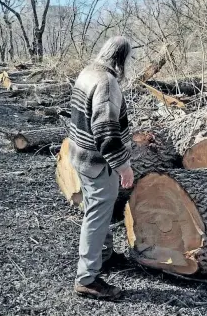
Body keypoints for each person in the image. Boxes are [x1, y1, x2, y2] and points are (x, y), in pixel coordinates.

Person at [68, 36, 134, 300]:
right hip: (98, 162)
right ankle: (87, 278)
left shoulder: (88, 72)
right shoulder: (107, 83)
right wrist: (123, 166)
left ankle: (104, 256)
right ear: (121, 59)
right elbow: (106, 133)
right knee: (96, 216)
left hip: (80, 156)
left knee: (98, 210)